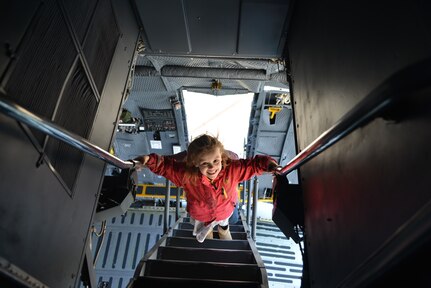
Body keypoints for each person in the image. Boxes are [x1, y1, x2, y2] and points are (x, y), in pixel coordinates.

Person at [132, 134, 280, 242]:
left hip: (224, 210)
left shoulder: (232, 170)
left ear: (221, 156)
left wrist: (270, 164)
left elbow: (254, 165)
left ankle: (224, 230)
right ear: (195, 163)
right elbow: (164, 166)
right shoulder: (186, 175)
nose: (212, 167)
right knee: (206, 235)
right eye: (205, 164)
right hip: (201, 215)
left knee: (223, 224)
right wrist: (146, 160)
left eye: (216, 161)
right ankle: (209, 234)